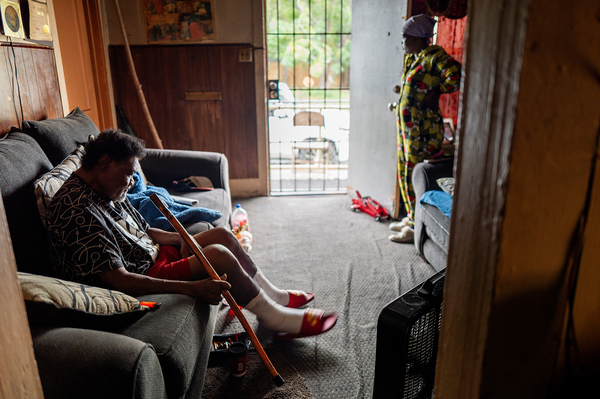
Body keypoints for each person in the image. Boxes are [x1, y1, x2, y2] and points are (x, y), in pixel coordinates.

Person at [46, 129, 337, 340]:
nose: (132, 181)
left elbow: (141, 230)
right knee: (218, 256)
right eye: (128, 173)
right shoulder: (77, 211)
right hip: (144, 275)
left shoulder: (101, 187)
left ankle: (273, 296)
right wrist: (193, 289)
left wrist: (181, 237)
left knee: (222, 235)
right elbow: (118, 280)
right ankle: (274, 317)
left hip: (154, 257)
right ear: (105, 163)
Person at [388, 14, 462, 243]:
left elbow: (455, 74)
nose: (402, 41)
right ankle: (411, 219)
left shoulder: (433, 55)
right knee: (404, 171)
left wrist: (437, 91)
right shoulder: (416, 57)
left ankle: (415, 227)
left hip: (423, 133)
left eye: (406, 37)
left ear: (419, 38)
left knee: (415, 174)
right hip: (408, 132)